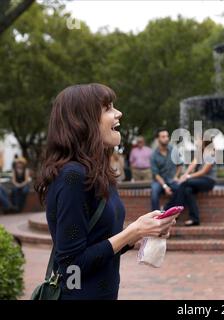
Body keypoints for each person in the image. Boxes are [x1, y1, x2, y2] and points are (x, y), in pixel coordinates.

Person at [35, 83, 179, 300]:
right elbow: (71, 267)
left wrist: (141, 231)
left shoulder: (98, 173)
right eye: (107, 108)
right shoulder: (72, 176)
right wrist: (132, 232)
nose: (118, 113)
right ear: (82, 121)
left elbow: (100, 247)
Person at [166, 139, 216, 226]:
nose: (196, 141)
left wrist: (188, 177)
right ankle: (195, 219)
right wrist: (184, 175)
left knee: (184, 184)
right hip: (198, 180)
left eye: (198, 139)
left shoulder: (211, 153)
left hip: (208, 181)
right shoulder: (200, 152)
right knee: (187, 190)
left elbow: (203, 172)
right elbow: (193, 164)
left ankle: (171, 211)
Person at [150, 128, 182, 211]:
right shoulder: (153, 155)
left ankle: (168, 210)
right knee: (154, 193)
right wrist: (165, 186)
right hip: (159, 182)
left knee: (181, 188)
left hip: (171, 179)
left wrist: (176, 176)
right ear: (158, 139)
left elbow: (180, 164)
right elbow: (156, 174)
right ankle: (156, 217)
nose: (166, 138)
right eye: (163, 136)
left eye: (167, 136)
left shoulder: (173, 150)